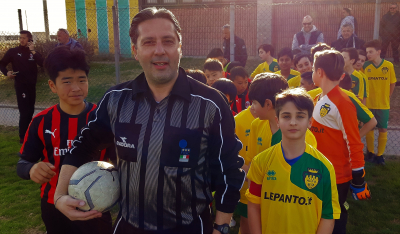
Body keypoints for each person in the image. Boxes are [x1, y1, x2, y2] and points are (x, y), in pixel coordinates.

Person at [54, 7, 245, 234]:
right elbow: (84, 146)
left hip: (190, 227)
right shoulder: (116, 100)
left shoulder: (210, 103)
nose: (159, 51)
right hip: (130, 226)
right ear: (135, 51)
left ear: (179, 47)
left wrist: (221, 227)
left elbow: (229, 170)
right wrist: (59, 196)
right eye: (148, 43)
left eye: (168, 41)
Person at [16, 46, 114, 234]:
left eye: (81, 80)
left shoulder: (102, 118)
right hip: (54, 205)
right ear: (53, 86)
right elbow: (23, 163)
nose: (76, 88)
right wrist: (31, 169)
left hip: (97, 203)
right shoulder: (41, 121)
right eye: (67, 81)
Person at [246, 88, 340, 234]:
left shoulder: (324, 167)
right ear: (277, 121)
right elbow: (253, 205)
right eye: (286, 116)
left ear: (310, 122)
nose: (293, 122)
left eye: (300, 116)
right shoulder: (261, 161)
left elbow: (328, 214)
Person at [311, 49, 371, 233]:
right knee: (319, 215)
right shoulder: (318, 98)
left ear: (319, 72)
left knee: (334, 217)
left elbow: (354, 142)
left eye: (313, 69)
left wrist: (358, 178)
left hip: (336, 175)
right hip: (319, 171)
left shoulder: (343, 102)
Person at [245, 73, 317, 173]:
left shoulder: (303, 134)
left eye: (254, 102)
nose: (251, 107)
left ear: (268, 104)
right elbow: (252, 163)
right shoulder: (256, 125)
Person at [0, 30, 44, 144]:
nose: (21, 40)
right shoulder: (13, 51)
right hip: (21, 86)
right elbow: (2, 63)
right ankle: (22, 137)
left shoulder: (33, 52)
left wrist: (33, 50)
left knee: (30, 110)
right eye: (20, 38)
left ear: (29, 39)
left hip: (32, 85)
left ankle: (29, 134)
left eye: (24, 38)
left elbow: (43, 63)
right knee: (24, 111)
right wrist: (7, 73)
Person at [364, 40, 397, 165]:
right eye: (367, 52)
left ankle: (380, 155)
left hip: (383, 105)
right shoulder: (365, 66)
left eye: (371, 52)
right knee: (370, 129)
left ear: (378, 52)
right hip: (368, 104)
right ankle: (371, 153)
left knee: (383, 129)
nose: (368, 54)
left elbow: (392, 82)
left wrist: (387, 95)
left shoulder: (388, 65)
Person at [233, 106, 257, 234]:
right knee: (247, 219)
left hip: (270, 184)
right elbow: (229, 152)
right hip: (246, 184)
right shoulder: (238, 121)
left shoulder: (276, 122)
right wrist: (244, 168)